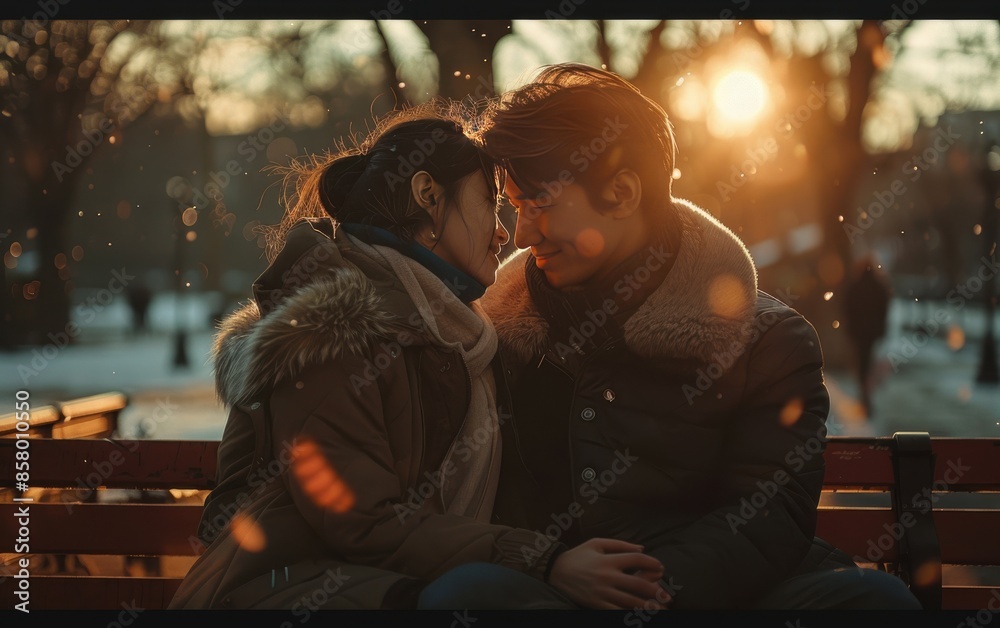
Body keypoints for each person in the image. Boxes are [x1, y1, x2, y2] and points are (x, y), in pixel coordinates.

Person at [419, 64, 923, 610]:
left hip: (726, 600)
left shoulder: (767, 342)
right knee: (465, 597)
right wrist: (551, 566)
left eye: (539, 204)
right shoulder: (491, 334)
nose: (522, 233)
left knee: (875, 603)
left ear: (622, 192)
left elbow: (765, 521)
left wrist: (641, 595)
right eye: (515, 207)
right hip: (557, 591)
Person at [168, 105, 665, 610]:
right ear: (428, 195)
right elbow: (359, 520)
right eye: (490, 206)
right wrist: (544, 561)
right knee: (478, 596)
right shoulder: (332, 328)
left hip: (381, 584)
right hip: (290, 591)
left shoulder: (462, 337)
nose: (504, 234)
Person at [843, 257, 891, 417]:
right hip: (872, 332)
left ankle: (864, 393)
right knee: (869, 360)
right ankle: (867, 393)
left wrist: (849, 327)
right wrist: (881, 328)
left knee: (861, 361)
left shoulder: (855, 286)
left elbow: (847, 308)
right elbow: (884, 308)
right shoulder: (879, 286)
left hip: (858, 332)